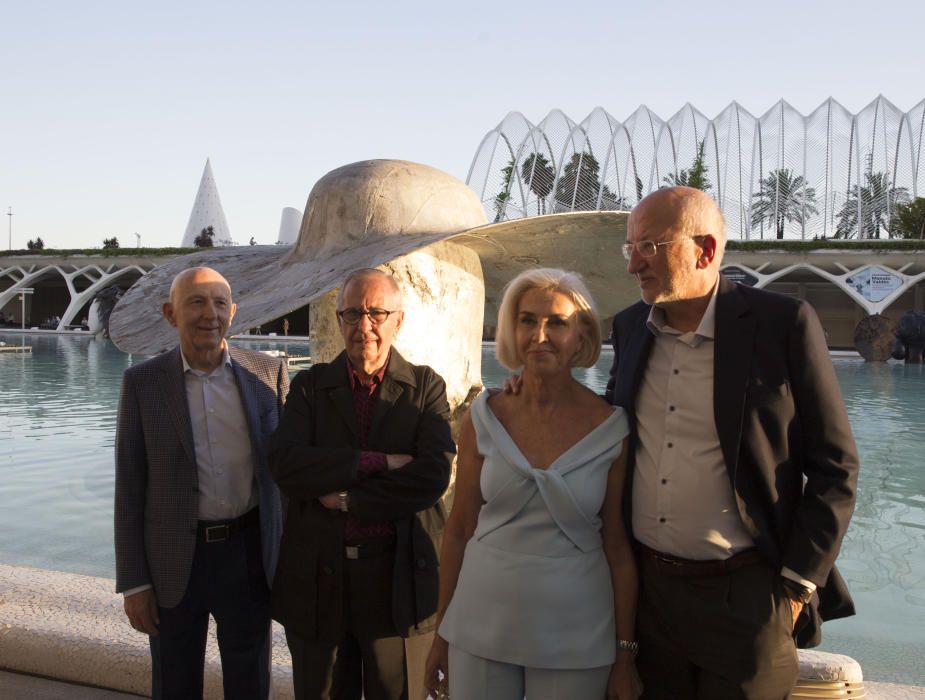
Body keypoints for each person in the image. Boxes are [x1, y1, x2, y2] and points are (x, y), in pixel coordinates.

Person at [607, 187, 859, 699]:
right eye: (629, 247)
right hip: (651, 599)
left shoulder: (782, 324)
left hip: (748, 597)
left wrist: (793, 588)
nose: (634, 264)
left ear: (706, 250)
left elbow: (836, 467)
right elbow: (608, 430)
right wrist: (530, 396)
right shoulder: (631, 327)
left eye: (650, 246)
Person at [425, 268, 640, 700]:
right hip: (478, 623)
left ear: (581, 336)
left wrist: (625, 655)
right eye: (528, 320)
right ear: (512, 328)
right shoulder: (483, 417)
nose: (540, 334)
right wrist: (442, 632)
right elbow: (460, 528)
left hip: (578, 634)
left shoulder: (612, 428)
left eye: (556, 322)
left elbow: (618, 549)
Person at [268, 268, 455, 700]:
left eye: (376, 312)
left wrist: (349, 498)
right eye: (352, 313)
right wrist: (379, 462)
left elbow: (431, 476)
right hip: (319, 581)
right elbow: (285, 463)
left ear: (398, 321)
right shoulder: (310, 388)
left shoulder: (425, 387)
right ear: (338, 321)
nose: (364, 325)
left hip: (397, 581)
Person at [114, 266, 288, 699]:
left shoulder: (268, 374)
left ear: (234, 312)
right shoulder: (142, 383)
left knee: (250, 684)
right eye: (196, 301)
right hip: (173, 563)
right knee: (174, 685)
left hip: (248, 557)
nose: (209, 313)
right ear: (170, 313)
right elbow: (129, 489)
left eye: (219, 302)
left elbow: (288, 477)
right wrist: (135, 583)